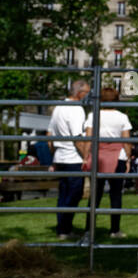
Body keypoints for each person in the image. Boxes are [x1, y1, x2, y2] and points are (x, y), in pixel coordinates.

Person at [83, 86, 132, 239]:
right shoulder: (122, 117)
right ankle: (115, 230)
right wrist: (128, 158)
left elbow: (88, 138)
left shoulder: (93, 115)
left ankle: (89, 230)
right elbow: (126, 140)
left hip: (97, 155)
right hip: (118, 157)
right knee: (116, 195)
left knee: (95, 196)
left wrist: (85, 157)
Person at [46, 79, 90, 239]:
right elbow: (78, 138)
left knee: (63, 194)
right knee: (74, 194)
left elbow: (49, 135)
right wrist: (85, 157)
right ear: (80, 93)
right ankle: (65, 229)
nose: (87, 96)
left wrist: (54, 156)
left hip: (60, 156)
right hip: (73, 158)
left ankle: (62, 228)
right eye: (86, 93)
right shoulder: (76, 110)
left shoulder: (58, 107)